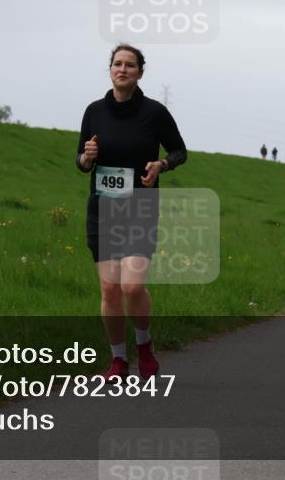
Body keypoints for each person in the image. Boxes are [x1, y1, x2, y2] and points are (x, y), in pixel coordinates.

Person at [77, 44, 187, 382]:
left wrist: (161, 164)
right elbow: (81, 163)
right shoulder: (94, 111)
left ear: (140, 72)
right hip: (103, 209)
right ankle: (118, 360)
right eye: (117, 64)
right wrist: (88, 157)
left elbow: (180, 151)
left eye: (130, 65)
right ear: (109, 69)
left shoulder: (153, 112)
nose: (122, 70)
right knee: (110, 289)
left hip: (140, 206)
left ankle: (144, 345)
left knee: (132, 287)